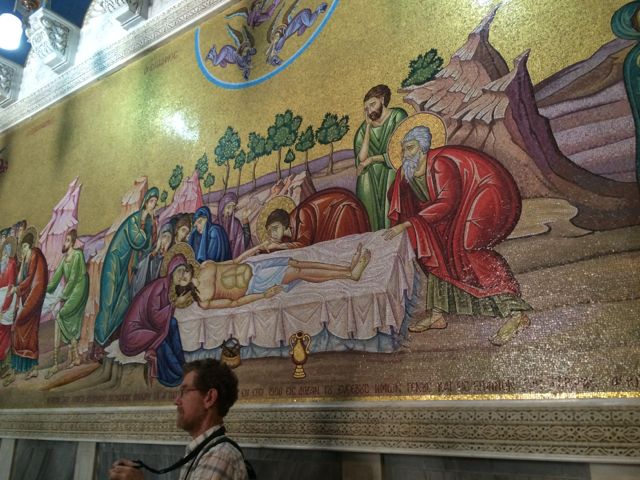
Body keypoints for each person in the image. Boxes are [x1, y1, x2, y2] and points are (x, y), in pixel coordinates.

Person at [385, 124, 531, 346]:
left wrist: (407, 224)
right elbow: (405, 201)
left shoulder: (440, 164)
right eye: (404, 148)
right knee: (435, 246)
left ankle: (516, 313)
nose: (406, 153)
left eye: (411, 148)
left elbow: (447, 202)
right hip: (457, 207)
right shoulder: (408, 172)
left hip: (487, 192)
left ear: (423, 148)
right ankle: (437, 314)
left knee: (469, 246)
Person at [109, 358, 250, 480]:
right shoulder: (204, 451)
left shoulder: (219, 456)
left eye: (184, 392)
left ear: (209, 398)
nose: (176, 401)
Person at [169, 242, 370, 310]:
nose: (182, 275)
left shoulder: (206, 265)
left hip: (253, 266)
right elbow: (233, 303)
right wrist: (263, 296)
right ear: (181, 287)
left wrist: (257, 248)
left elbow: (235, 261)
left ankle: (346, 268)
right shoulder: (203, 301)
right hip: (253, 284)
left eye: (181, 271)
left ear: (186, 267)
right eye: (179, 278)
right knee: (296, 272)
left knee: (296, 263)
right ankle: (349, 276)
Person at [119, 245, 194, 387]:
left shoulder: (169, 287)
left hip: (148, 327)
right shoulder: (160, 286)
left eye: (183, 271)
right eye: (179, 271)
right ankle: (173, 375)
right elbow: (155, 317)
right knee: (162, 339)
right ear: (171, 270)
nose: (181, 275)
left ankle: (181, 364)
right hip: (133, 333)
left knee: (172, 323)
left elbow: (164, 319)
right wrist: (175, 303)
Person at [94, 188, 159, 350]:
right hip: (115, 262)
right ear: (145, 203)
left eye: (155, 202)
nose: (153, 205)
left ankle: (111, 339)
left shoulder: (146, 221)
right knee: (109, 301)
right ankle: (98, 343)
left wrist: (151, 226)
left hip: (126, 266)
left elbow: (147, 246)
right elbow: (138, 240)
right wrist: (145, 222)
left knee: (122, 301)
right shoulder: (134, 220)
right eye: (151, 201)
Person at [353, 84, 408, 231]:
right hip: (371, 175)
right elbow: (362, 159)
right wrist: (368, 127)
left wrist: (372, 159)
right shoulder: (363, 128)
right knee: (364, 179)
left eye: (372, 104)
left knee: (392, 176)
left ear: (382, 100)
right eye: (366, 108)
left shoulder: (398, 116)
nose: (370, 110)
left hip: (392, 167)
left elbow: (398, 153)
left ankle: (392, 229)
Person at [251, 188, 370, 254]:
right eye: (270, 231)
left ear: (284, 224)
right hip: (328, 224)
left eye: (275, 228)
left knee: (344, 250)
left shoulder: (301, 215)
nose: (273, 233)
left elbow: (303, 244)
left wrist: (278, 246)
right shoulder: (287, 237)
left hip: (341, 210)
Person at [3, 226, 48, 386]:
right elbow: (23, 278)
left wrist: (17, 289)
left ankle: (29, 367)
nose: (21, 250)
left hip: (34, 299)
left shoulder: (34, 254)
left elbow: (30, 279)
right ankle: (20, 367)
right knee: (21, 330)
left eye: (23, 247)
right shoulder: (27, 259)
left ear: (28, 245)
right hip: (27, 299)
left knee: (23, 328)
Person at [44, 229, 89, 378]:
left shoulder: (78, 255)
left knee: (62, 314)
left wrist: (61, 297)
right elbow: (55, 281)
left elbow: (74, 278)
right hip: (72, 289)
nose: (65, 243)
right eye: (65, 240)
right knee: (69, 320)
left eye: (68, 240)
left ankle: (69, 357)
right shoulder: (64, 260)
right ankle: (75, 357)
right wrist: (42, 288)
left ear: (73, 243)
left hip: (81, 287)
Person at [130, 222, 174, 299]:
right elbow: (140, 265)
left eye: (168, 238)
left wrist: (166, 257)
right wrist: (153, 254)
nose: (166, 240)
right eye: (164, 236)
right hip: (146, 282)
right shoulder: (152, 250)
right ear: (160, 237)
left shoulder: (169, 255)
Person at [0, 237, 17, 371]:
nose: (6, 251)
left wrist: (4, 306)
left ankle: (3, 360)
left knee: (5, 331)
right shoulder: (1, 263)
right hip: (0, 297)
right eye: (4, 248)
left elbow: (11, 285)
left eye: (8, 249)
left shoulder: (12, 263)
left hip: (7, 299)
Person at [218, 192, 251, 259]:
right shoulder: (216, 224)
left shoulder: (236, 223)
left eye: (233, 207)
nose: (230, 211)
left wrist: (245, 220)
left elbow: (244, 243)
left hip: (234, 259)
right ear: (222, 206)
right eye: (228, 207)